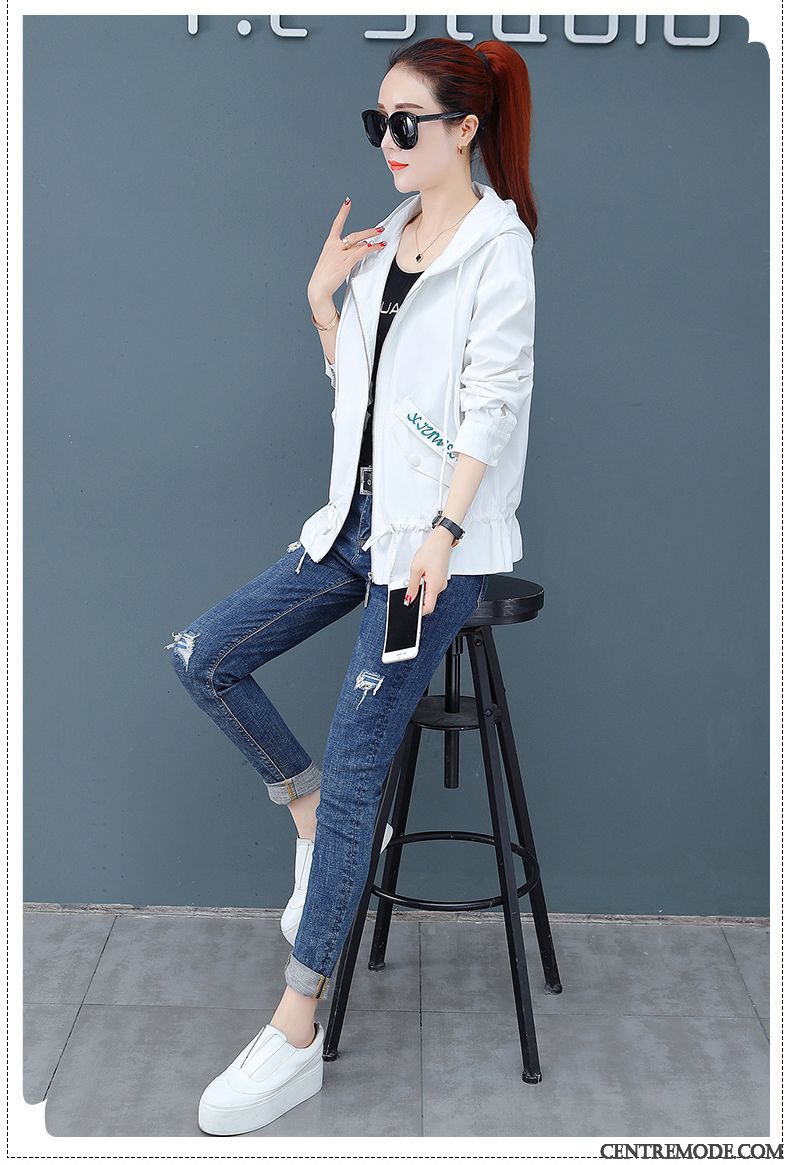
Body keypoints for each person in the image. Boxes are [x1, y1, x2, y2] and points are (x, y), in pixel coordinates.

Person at [165, 34, 537, 1137]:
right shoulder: (386, 243)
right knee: (204, 654)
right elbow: (370, 408)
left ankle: (294, 1032)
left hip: (434, 551)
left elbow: (493, 401)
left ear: (464, 129)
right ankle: (310, 810)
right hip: (352, 530)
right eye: (377, 122)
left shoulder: (496, 249)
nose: (387, 141)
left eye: (405, 123)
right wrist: (325, 307)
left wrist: (446, 532)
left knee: (362, 754)